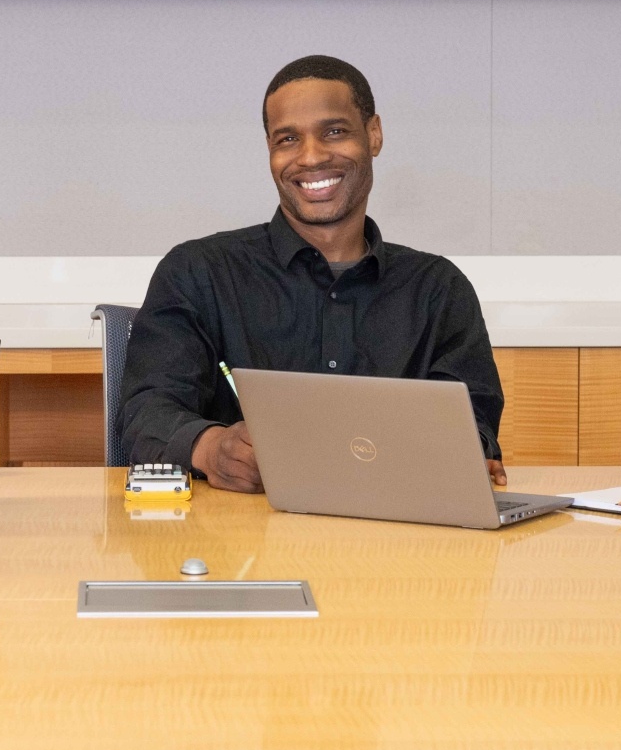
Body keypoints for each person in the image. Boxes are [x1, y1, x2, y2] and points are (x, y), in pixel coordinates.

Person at [119, 55, 505, 492]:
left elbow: (473, 419)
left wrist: (463, 453)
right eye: (287, 139)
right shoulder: (197, 273)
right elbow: (145, 412)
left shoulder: (438, 290)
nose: (311, 157)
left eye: (334, 132)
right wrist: (210, 447)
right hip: (240, 542)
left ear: (374, 134)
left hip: (396, 543)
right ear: (269, 150)